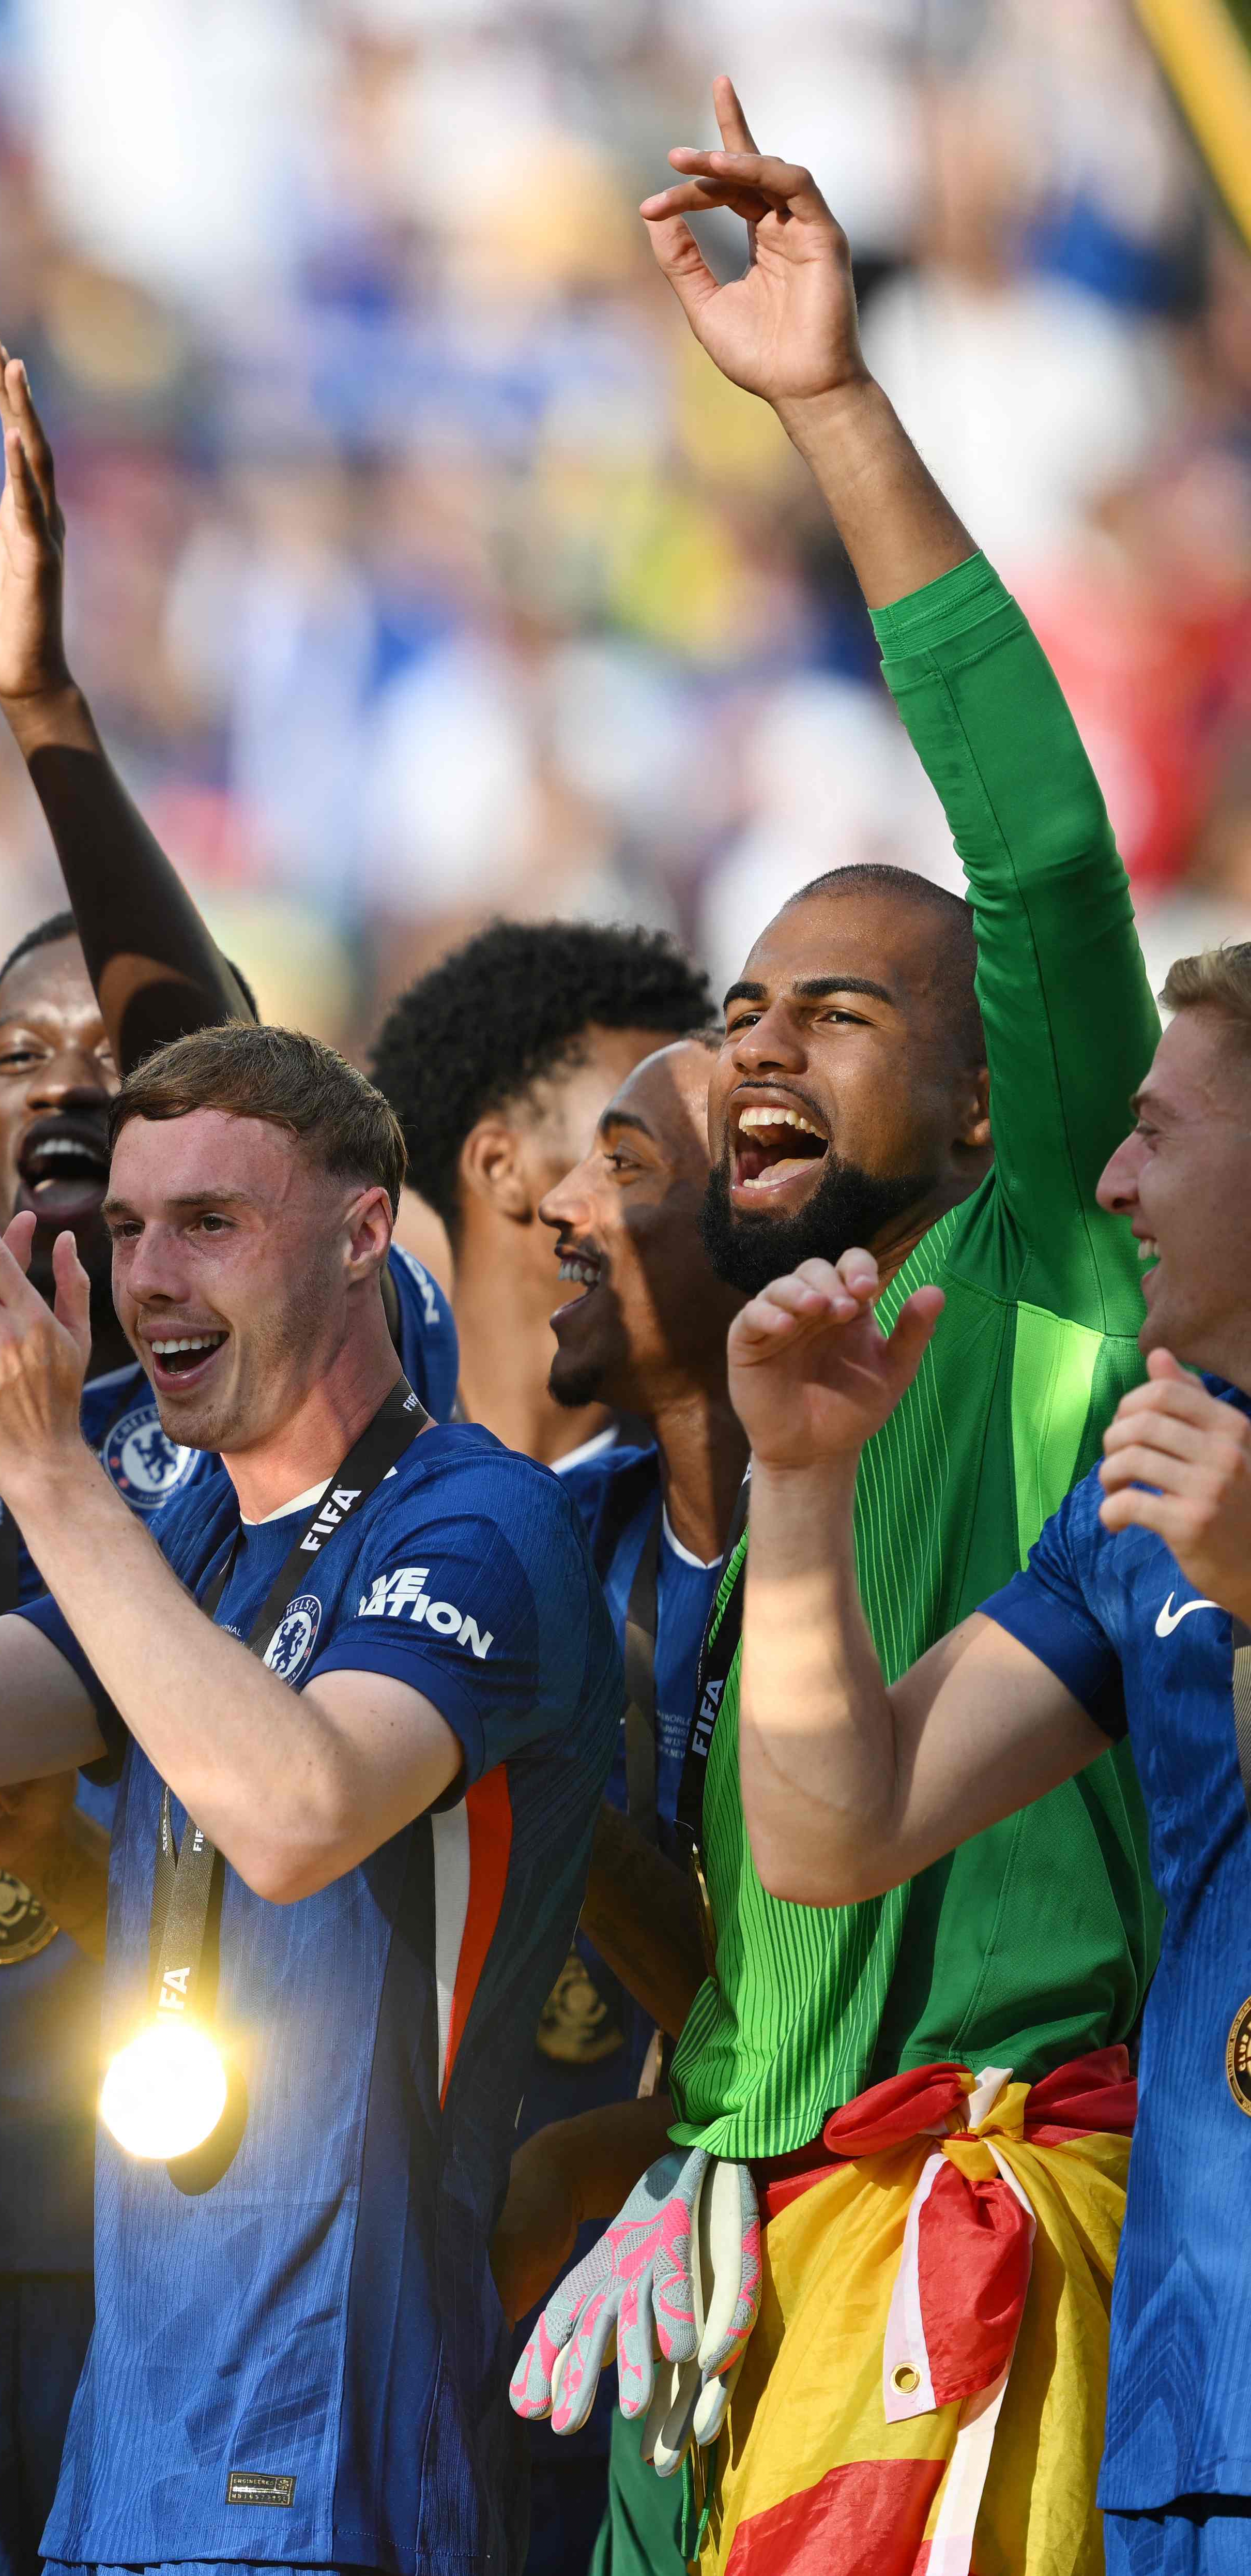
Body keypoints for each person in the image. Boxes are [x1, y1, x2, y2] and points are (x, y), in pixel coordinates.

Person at [518, 87, 1164, 2576]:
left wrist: (819, 404)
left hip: (976, 2223)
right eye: (739, 1003)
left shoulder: (1033, 1263)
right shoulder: (659, 1437)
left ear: (1001, 1078)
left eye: (845, 1008)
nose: (766, 1041)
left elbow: (1025, 839)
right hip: (721, 2234)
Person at [0, 1028, 613, 2576]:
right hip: (133, 2467)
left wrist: (43, 1466)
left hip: (344, 2458)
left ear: (363, 1230)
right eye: (124, 1229)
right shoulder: (182, 1542)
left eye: (208, 1223)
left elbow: (301, 1808)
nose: (151, 1273)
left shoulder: (478, 1515)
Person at [721, 941, 1250, 2576]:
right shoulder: (1146, 1489)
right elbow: (834, 1827)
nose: (1108, 1175)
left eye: (1156, 1130)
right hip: (1190, 2385)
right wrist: (802, 1489)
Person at [491, 1034, 741, 2576]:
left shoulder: (906, 1550)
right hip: (594, 2335)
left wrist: (595, 2159)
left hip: (855, 2292)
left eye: (629, 1163)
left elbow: (860, 2021)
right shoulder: (544, 1538)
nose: (563, 1209)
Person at [365, 922, 716, 1468]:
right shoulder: (342, 1451)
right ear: (500, 1167)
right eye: (631, 1147)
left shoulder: (724, 1470)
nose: (706, 1175)